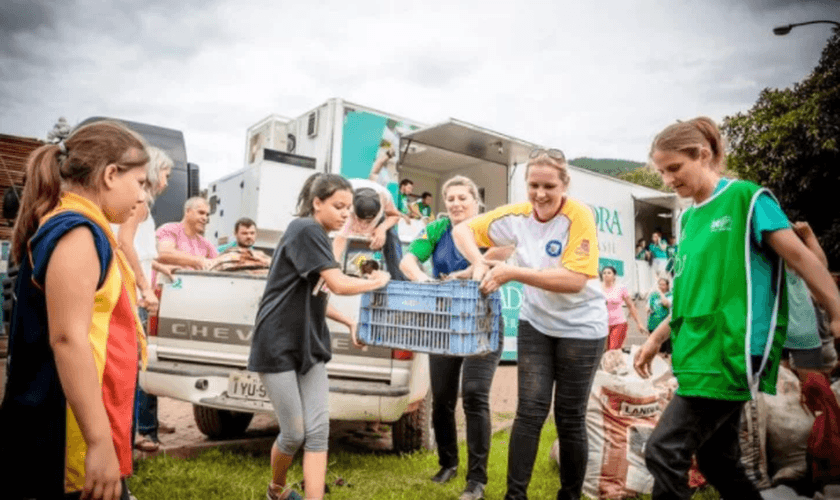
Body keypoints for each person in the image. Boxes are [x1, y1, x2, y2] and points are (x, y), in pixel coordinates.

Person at [633, 116, 840, 500]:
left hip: (730, 350)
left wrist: (837, 309)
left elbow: (801, 258)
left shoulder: (747, 200)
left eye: (674, 168)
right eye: (662, 172)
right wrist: (655, 340)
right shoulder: (690, 217)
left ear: (703, 155)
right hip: (696, 350)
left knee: (663, 451)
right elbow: (688, 291)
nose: (668, 180)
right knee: (717, 460)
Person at [0, 121, 150, 499]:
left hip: (82, 426)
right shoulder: (78, 232)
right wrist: (99, 442)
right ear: (111, 174)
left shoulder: (91, 229)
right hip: (64, 438)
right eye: (140, 182)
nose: (142, 197)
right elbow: (68, 338)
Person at [452, 148, 608, 500]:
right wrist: (479, 262)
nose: (540, 194)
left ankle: (569, 496)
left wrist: (512, 272)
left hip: (582, 329)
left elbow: (574, 280)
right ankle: (514, 496)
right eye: (533, 185)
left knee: (569, 418)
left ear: (564, 185)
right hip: (536, 324)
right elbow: (462, 230)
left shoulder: (578, 215)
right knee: (530, 411)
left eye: (549, 186)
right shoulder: (517, 215)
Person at [249, 173, 390, 500]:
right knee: (294, 433)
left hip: (310, 344)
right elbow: (340, 284)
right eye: (338, 206)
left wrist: (349, 323)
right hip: (277, 344)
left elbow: (320, 294)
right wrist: (376, 282)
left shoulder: (319, 237)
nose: (345, 213)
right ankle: (277, 491)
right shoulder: (306, 229)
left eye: (348, 208)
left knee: (318, 433)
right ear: (317, 202)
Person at [400, 175, 504, 500]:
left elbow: (497, 263)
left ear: (476, 201)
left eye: (463, 198)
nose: (456, 204)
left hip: (482, 324)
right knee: (442, 399)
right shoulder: (436, 230)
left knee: (473, 395)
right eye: (451, 199)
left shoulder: (492, 230)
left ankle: (476, 481)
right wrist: (421, 279)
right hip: (444, 324)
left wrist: (473, 270)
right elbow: (407, 261)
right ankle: (448, 463)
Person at [115, 146, 180, 453]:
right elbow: (123, 242)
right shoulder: (141, 204)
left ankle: (133, 438)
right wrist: (145, 287)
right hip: (132, 294)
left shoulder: (141, 204)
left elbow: (138, 249)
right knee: (135, 369)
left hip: (131, 289)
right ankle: (129, 443)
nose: (167, 180)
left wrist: (158, 265)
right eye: (166, 173)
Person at [331, 178, 406, 281]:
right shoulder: (343, 198)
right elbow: (340, 239)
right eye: (361, 221)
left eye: (368, 222)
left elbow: (395, 216)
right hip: (349, 213)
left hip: (378, 220)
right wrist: (333, 269)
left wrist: (382, 228)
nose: (363, 225)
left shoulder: (384, 196)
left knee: (392, 235)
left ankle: (399, 281)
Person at [155, 196, 219, 271]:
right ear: (188, 211)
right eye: (201, 213)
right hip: (169, 282)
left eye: (207, 215)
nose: (205, 218)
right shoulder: (169, 229)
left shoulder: (205, 243)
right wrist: (198, 261)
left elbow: (219, 262)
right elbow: (163, 254)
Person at [601, 265, 646, 350]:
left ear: (614, 276)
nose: (606, 275)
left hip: (619, 323)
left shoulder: (621, 288)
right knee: (606, 352)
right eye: (604, 273)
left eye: (609, 273)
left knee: (613, 350)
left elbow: (630, 305)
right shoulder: (598, 289)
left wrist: (639, 323)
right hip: (603, 325)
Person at [646, 277, 672, 353]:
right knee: (654, 349)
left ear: (667, 286)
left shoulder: (670, 295)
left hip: (664, 325)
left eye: (663, 285)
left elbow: (666, 303)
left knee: (665, 350)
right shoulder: (653, 295)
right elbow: (647, 306)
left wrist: (660, 293)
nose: (661, 286)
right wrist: (648, 309)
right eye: (659, 284)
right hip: (653, 323)